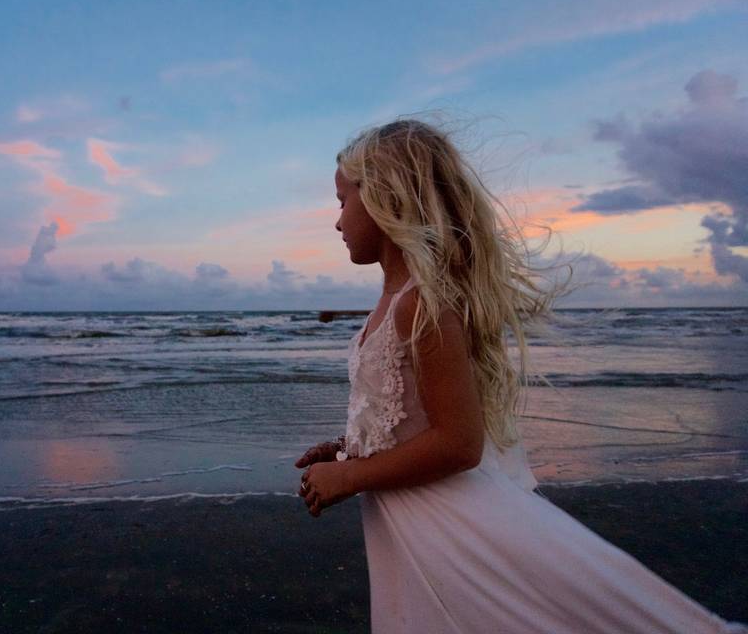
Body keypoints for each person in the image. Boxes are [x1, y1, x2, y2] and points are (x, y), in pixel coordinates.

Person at [294, 118, 747, 633]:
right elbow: (408, 418)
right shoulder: (392, 303)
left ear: (385, 197)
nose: (336, 222)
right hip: (406, 520)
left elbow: (460, 443)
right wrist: (349, 448)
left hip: (449, 523)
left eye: (341, 201)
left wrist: (351, 476)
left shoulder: (421, 304)